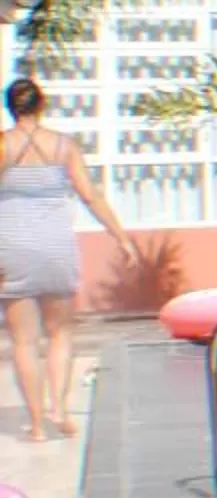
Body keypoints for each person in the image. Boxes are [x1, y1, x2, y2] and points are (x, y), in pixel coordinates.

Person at [0, 79, 130, 444]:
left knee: (24, 342)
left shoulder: (2, 144)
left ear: (11, 107)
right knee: (60, 332)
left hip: (11, 248)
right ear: (41, 106)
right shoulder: (63, 146)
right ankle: (58, 406)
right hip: (55, 246)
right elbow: (90, 196)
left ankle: (38, 424)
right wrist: (120, 236)